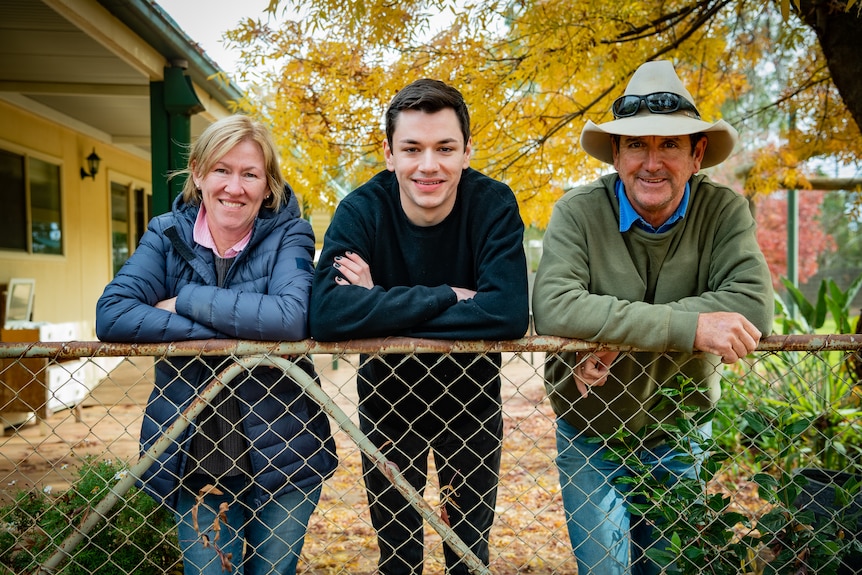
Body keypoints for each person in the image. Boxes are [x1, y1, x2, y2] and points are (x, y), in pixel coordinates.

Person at [532, 60, 774, 575]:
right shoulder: (577, 212)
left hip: (681, 434)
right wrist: (690, 326)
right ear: (617, 153)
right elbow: (553, 303)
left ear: (697, 152)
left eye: (670, 144)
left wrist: (615, 330)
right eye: (637, 144)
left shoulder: (723, 211)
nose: (652, 162)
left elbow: (752, 305)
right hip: (591, 430)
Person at [96, 114, 337, 575]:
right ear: (198, 174)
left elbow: (290, 319)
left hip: (283, 447)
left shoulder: (291, 233)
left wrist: (183, 300)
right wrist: (239, 329)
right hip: (194, 451)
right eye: (222, 170)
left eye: (250, 174)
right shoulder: (166, 234)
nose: (234, 186)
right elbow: (113, 314)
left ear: (268, 186)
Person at [309, 78, 529, 574]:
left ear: (467, 151)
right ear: (389, 153)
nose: (428, 165)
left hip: (471, 404)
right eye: (412, 148)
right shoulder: (361, 209)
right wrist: (450, 294)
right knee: (399, 558)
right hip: (387, 402)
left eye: (445, 148)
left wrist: (376, 302)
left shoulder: (492, 205)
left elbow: (508, 313)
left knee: (469, 555)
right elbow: (325, 315)